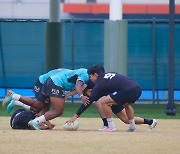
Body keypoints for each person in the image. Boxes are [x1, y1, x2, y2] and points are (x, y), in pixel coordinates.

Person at [3, 68, 90, 130]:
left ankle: (16, 100)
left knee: (39, 107)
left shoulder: (76, 75)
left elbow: (79, 88)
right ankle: (19, 103)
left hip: (50, 82)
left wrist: (67, 95)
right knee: (39, 108)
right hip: (42, 82)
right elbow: (79, 87)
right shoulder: (82, 76)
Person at [67, 79, 158, 132]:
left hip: (112, 100)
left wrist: (74, 117)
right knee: (126, 120)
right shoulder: (88, 87)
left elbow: (87, 103)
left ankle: (107, 125)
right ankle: (150, 122)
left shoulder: (92, 86)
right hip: (110, 101)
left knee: (99, 102)